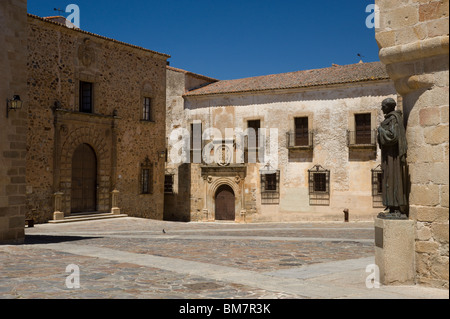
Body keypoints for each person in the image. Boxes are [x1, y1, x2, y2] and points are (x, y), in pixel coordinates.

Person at [377, 98, 408, 219]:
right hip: (388, 155)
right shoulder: (390, 118)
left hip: (392, 157)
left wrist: (381, 130)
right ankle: (391, 207)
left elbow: (393, 136)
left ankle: (395, 207)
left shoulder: (394, 118)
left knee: (393, 178)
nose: (381, 108)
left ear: (389, 107)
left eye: (383, 106)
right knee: (388, 179)